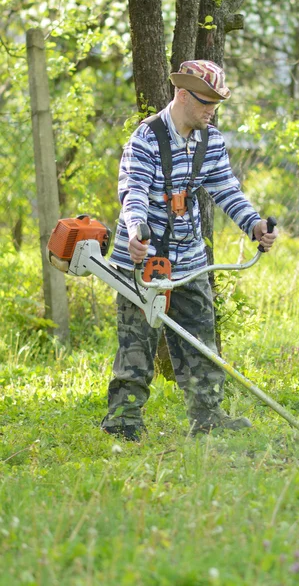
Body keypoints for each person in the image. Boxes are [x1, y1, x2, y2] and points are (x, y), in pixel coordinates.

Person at [101, 60, 277, 441]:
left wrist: (255, 225)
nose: (212, 109)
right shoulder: (145, 139)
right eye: (206, 101)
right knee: (137, 342)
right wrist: (135, 232)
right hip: (143, 258)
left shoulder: (210, 140)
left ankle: (208, 417)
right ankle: (124, 421)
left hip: (190, 258)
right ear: (182, 94)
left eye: (217, 102)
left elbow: (226, 189)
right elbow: (132, 194)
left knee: (201, 338)